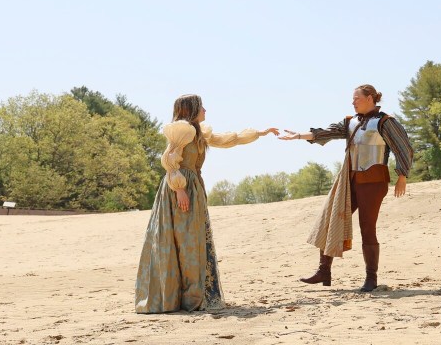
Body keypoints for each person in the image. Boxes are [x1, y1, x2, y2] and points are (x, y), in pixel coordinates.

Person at [135, 94, 279, 313]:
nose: (205, 110)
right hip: (180, 189)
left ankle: (193, 295)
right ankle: (183, 297)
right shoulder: (182, 130)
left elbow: (228, 139)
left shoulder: (199, 133)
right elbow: (169, 160)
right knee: (186, 241)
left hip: (193, 187)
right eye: (201, 106)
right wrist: (180, 189)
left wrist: (260, 132)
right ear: (190, 109)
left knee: (194, 240)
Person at [279, 84, 413, 291]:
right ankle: (324, 271)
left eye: (356, 98)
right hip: (350, 180)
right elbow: (326, 133)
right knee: (331, 218)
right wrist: (298, 136)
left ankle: (371, 278)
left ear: (370, 98)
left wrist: (402, 176)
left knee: (367, 227)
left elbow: (403, 147)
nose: (353, 102)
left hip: (374, 182)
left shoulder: (386, 122)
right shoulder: (350, 122)